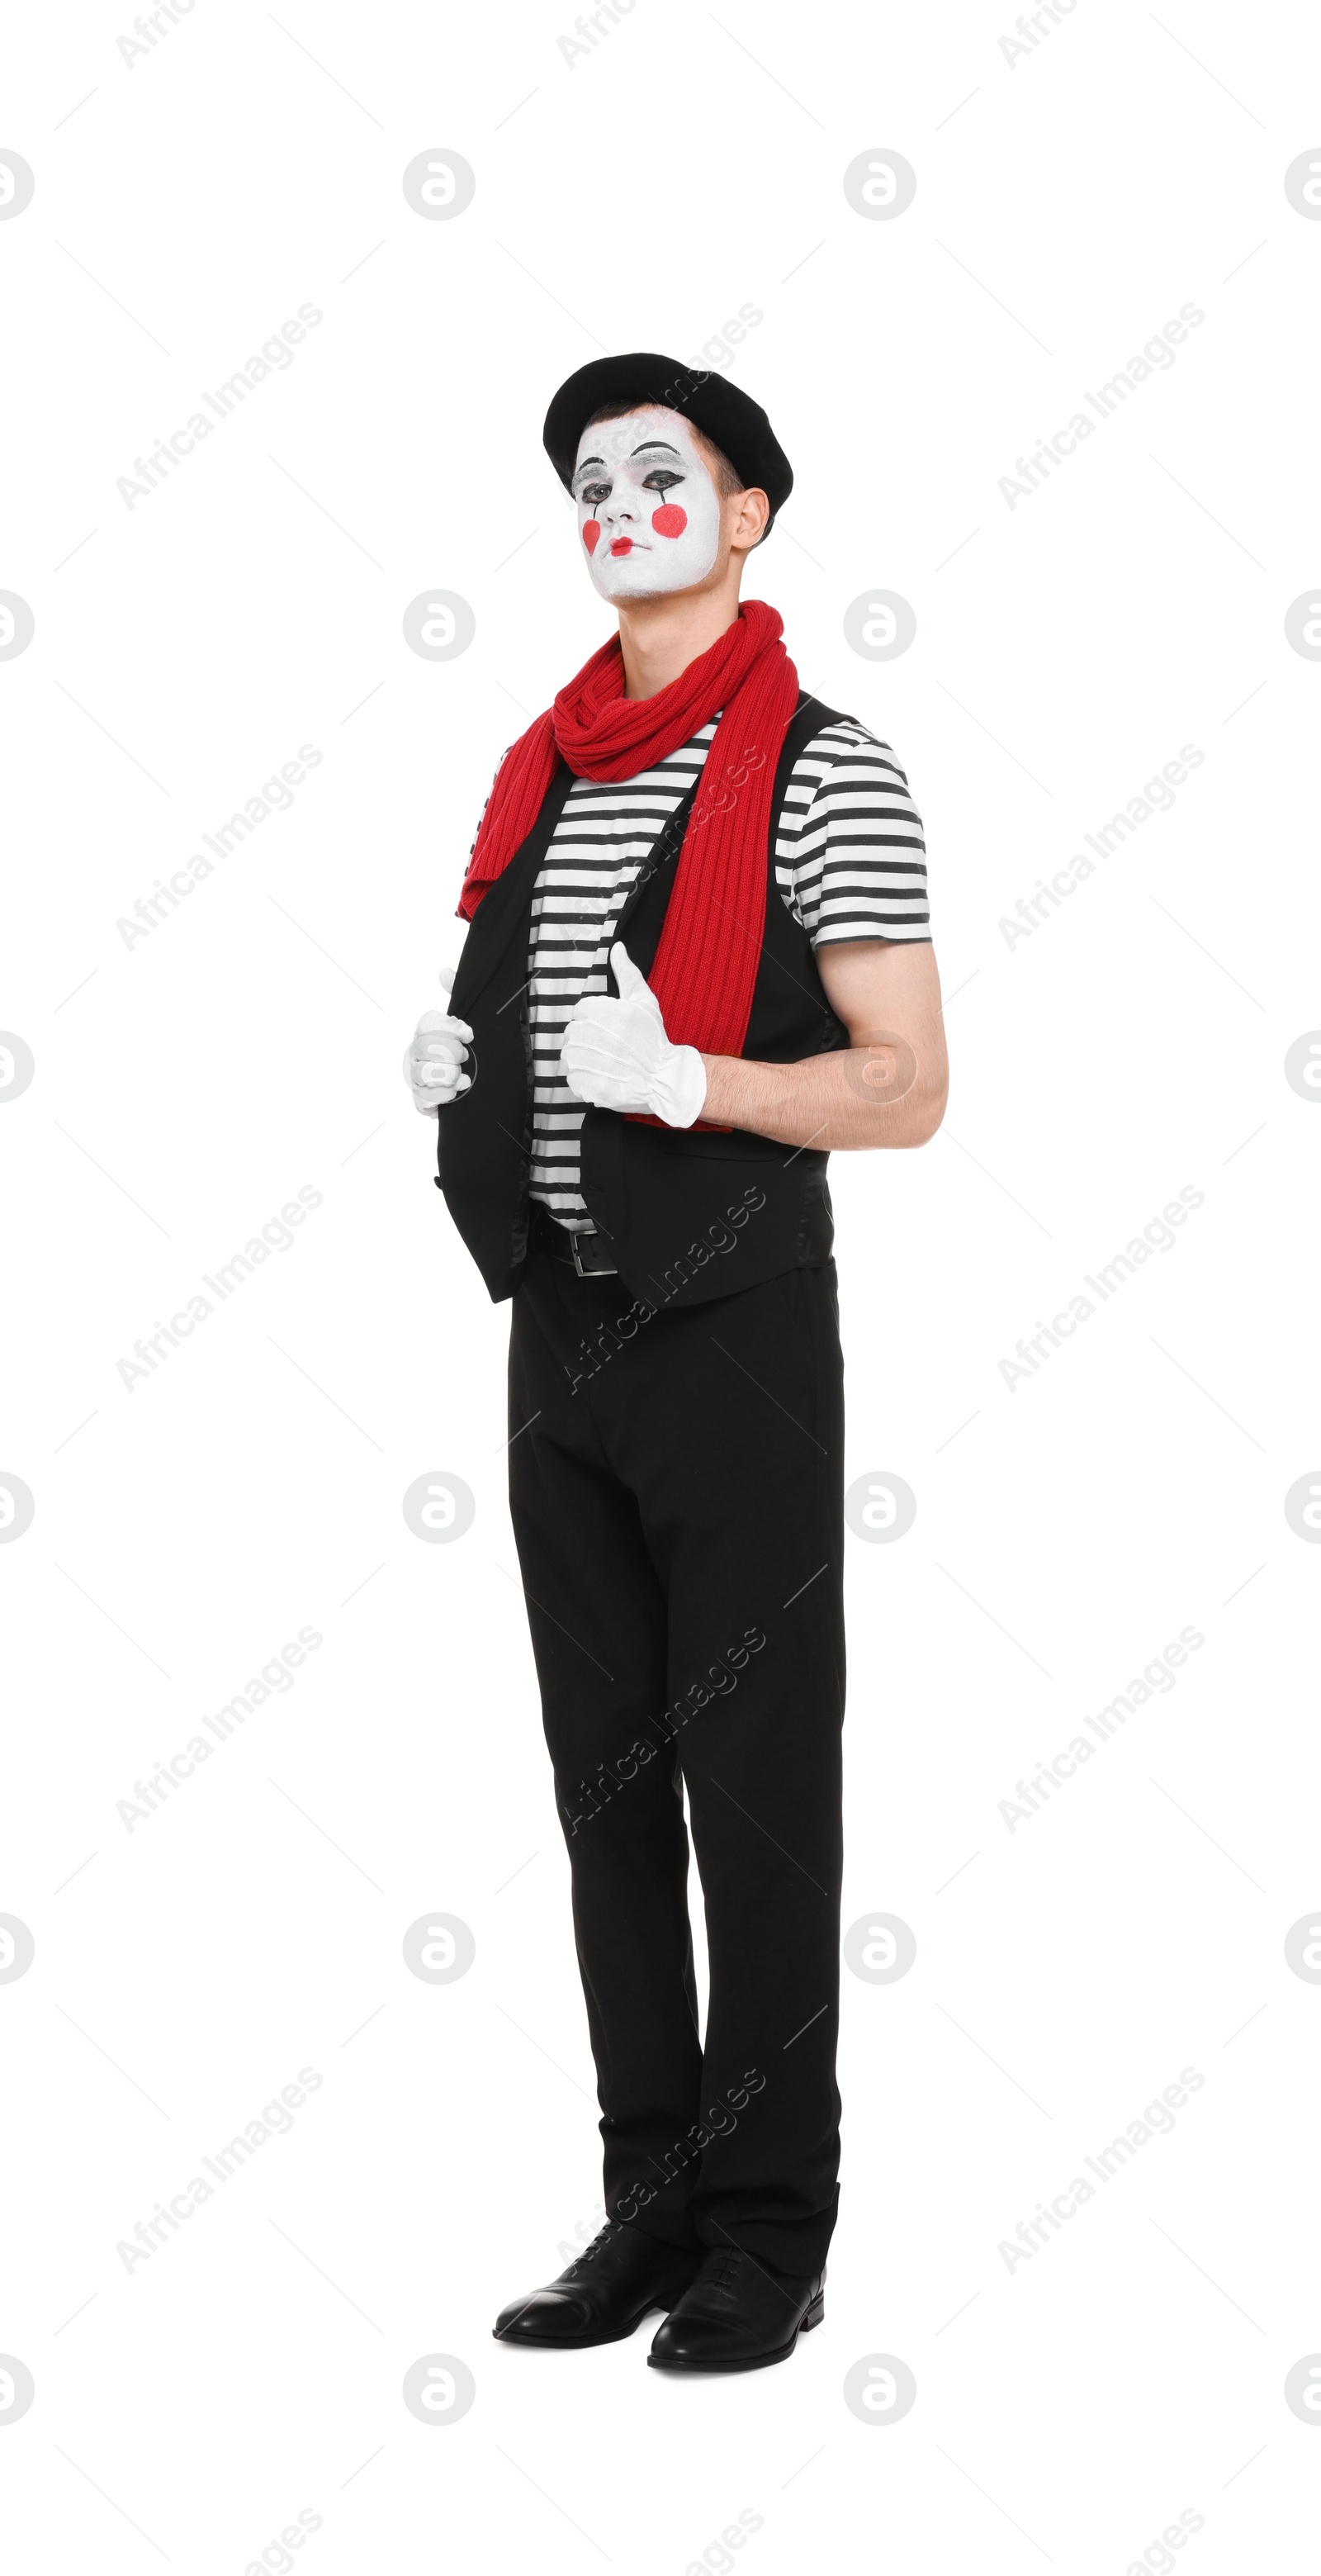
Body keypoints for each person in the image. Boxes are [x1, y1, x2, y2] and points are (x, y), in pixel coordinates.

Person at [404, 353, 947, 2372]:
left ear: (745, 515)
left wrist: (694, 1079)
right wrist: (476, 1077)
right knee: (605, 1787)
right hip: (554, 1322)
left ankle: (768, 2229)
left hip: (729, 1335)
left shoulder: (825, 766)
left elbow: (906, 1090)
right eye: (587, 476)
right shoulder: (540, 767)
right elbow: (513, 1003)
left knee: (755, 1787)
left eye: (662, 469)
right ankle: (645, 2206)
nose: (616, 496)